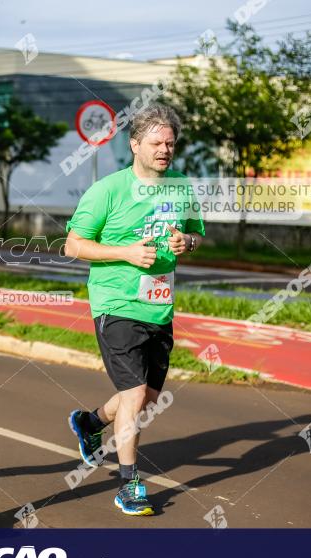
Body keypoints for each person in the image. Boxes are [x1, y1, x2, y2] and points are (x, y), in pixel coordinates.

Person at [63, 104, 204, 516]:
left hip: (159, 305)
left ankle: (90, 424)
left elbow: (195, 233)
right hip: (115, 302)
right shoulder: (108, 190)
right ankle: (129, 483)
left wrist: (187, 244)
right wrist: (124, 252)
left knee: (148, 396)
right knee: (135, 392)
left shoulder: (181, 186)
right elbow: (74, 245)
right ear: (135, 144)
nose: (165, 150)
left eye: (170, 144)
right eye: (156, 143)